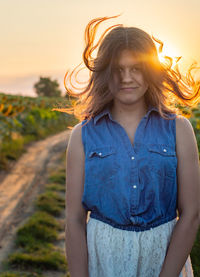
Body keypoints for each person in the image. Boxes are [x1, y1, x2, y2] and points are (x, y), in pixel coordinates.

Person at [64, 15, 200, 277]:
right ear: (105, 73)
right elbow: (73, 220)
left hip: (164, 258)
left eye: (136, 68)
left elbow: (192, 213)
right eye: (118, 69)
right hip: (104, 260)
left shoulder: (179, 129)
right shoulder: (82, 135)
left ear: (150, 70)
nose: (127, 78)